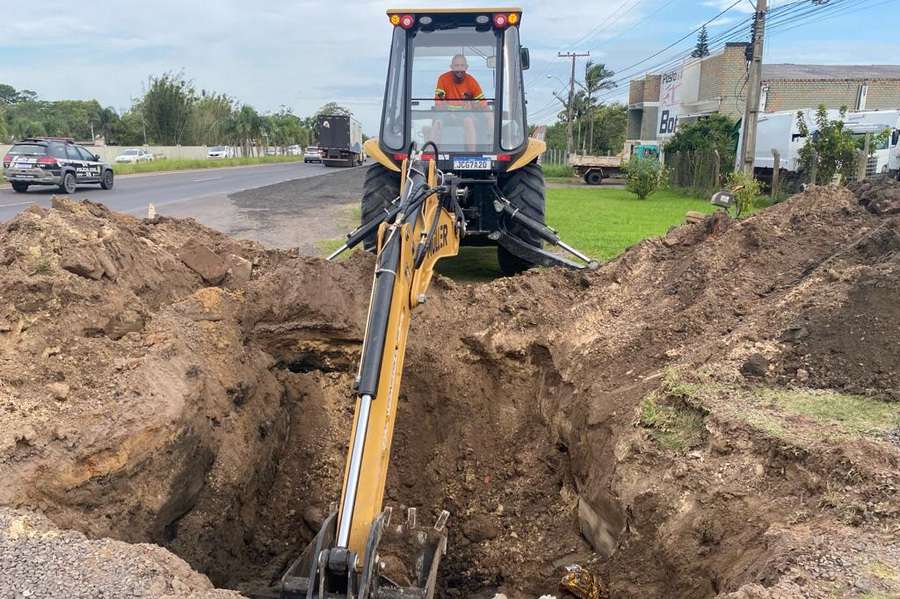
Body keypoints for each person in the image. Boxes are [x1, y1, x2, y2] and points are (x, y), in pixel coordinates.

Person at [433, 55, 488, 149]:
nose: (459, 68)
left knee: (469, 121)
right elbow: (439, 104)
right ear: (451, 67)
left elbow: (482, 104)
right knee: (437, 122)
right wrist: (449, 111)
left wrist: (473, 105)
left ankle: (472, 154)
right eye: (456, 65)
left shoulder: (471, 81)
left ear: (466, 67)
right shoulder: (443, 79)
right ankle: (432, 154)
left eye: (462, 65)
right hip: (446, 113)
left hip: (465, 114)